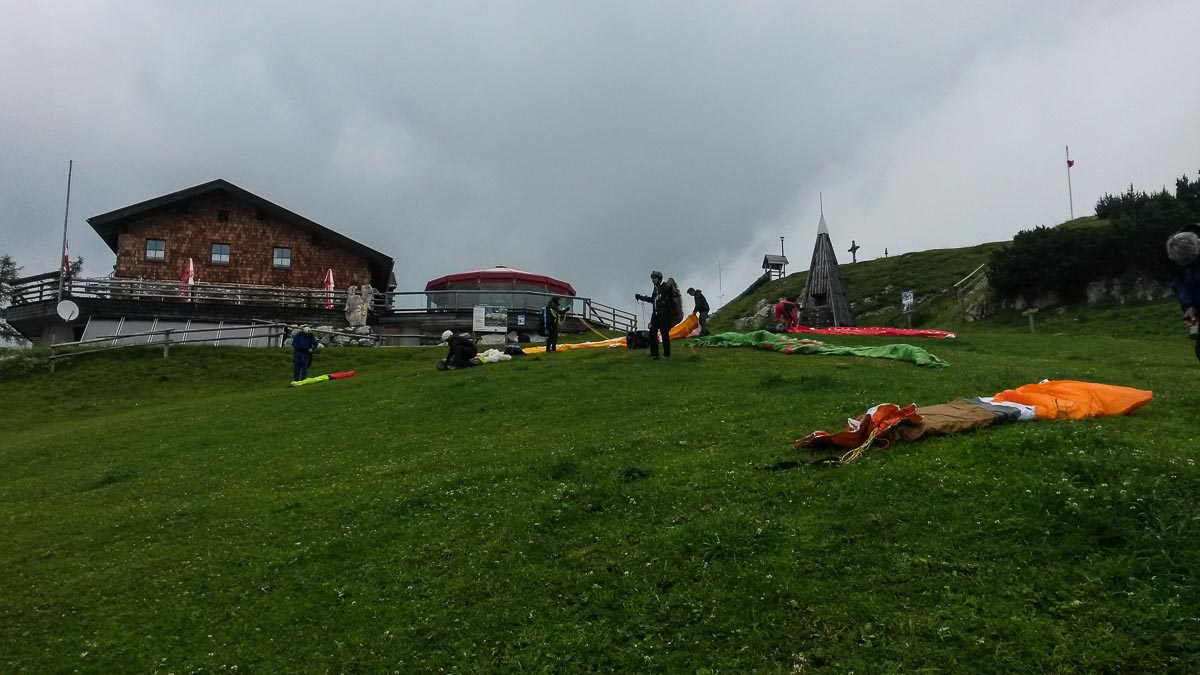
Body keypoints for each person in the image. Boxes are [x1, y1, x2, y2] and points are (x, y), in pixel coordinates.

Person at [1167, 228, 1200, 362]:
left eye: (1185, 261)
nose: (1181, 264)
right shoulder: (1181, 263)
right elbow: (1179, 284)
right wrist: (1188, 307)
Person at [635, 270, 672, 358]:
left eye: (654, 278)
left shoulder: (666, 287)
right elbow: (652, 299)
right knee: (652, 332)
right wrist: (641, 297)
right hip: (655, 314)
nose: (653, 280)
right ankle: (654, 354)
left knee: (664, 333)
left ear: (659, 279)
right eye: (652, 278)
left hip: (664, 314)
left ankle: (667, 354)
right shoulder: (655, 288)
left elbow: (671, 299)